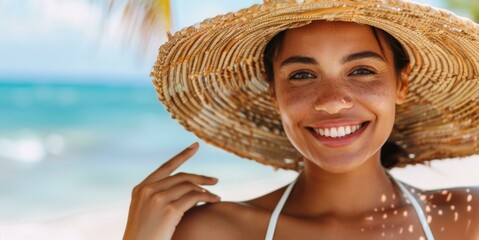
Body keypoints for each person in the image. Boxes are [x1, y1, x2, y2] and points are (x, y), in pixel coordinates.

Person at [123, 0, 479, 239]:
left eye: (362, 70)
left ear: (401, 83)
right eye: (302, 75)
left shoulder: (468, 219)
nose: (333, 102)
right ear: (273, 92)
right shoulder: (211, 231)